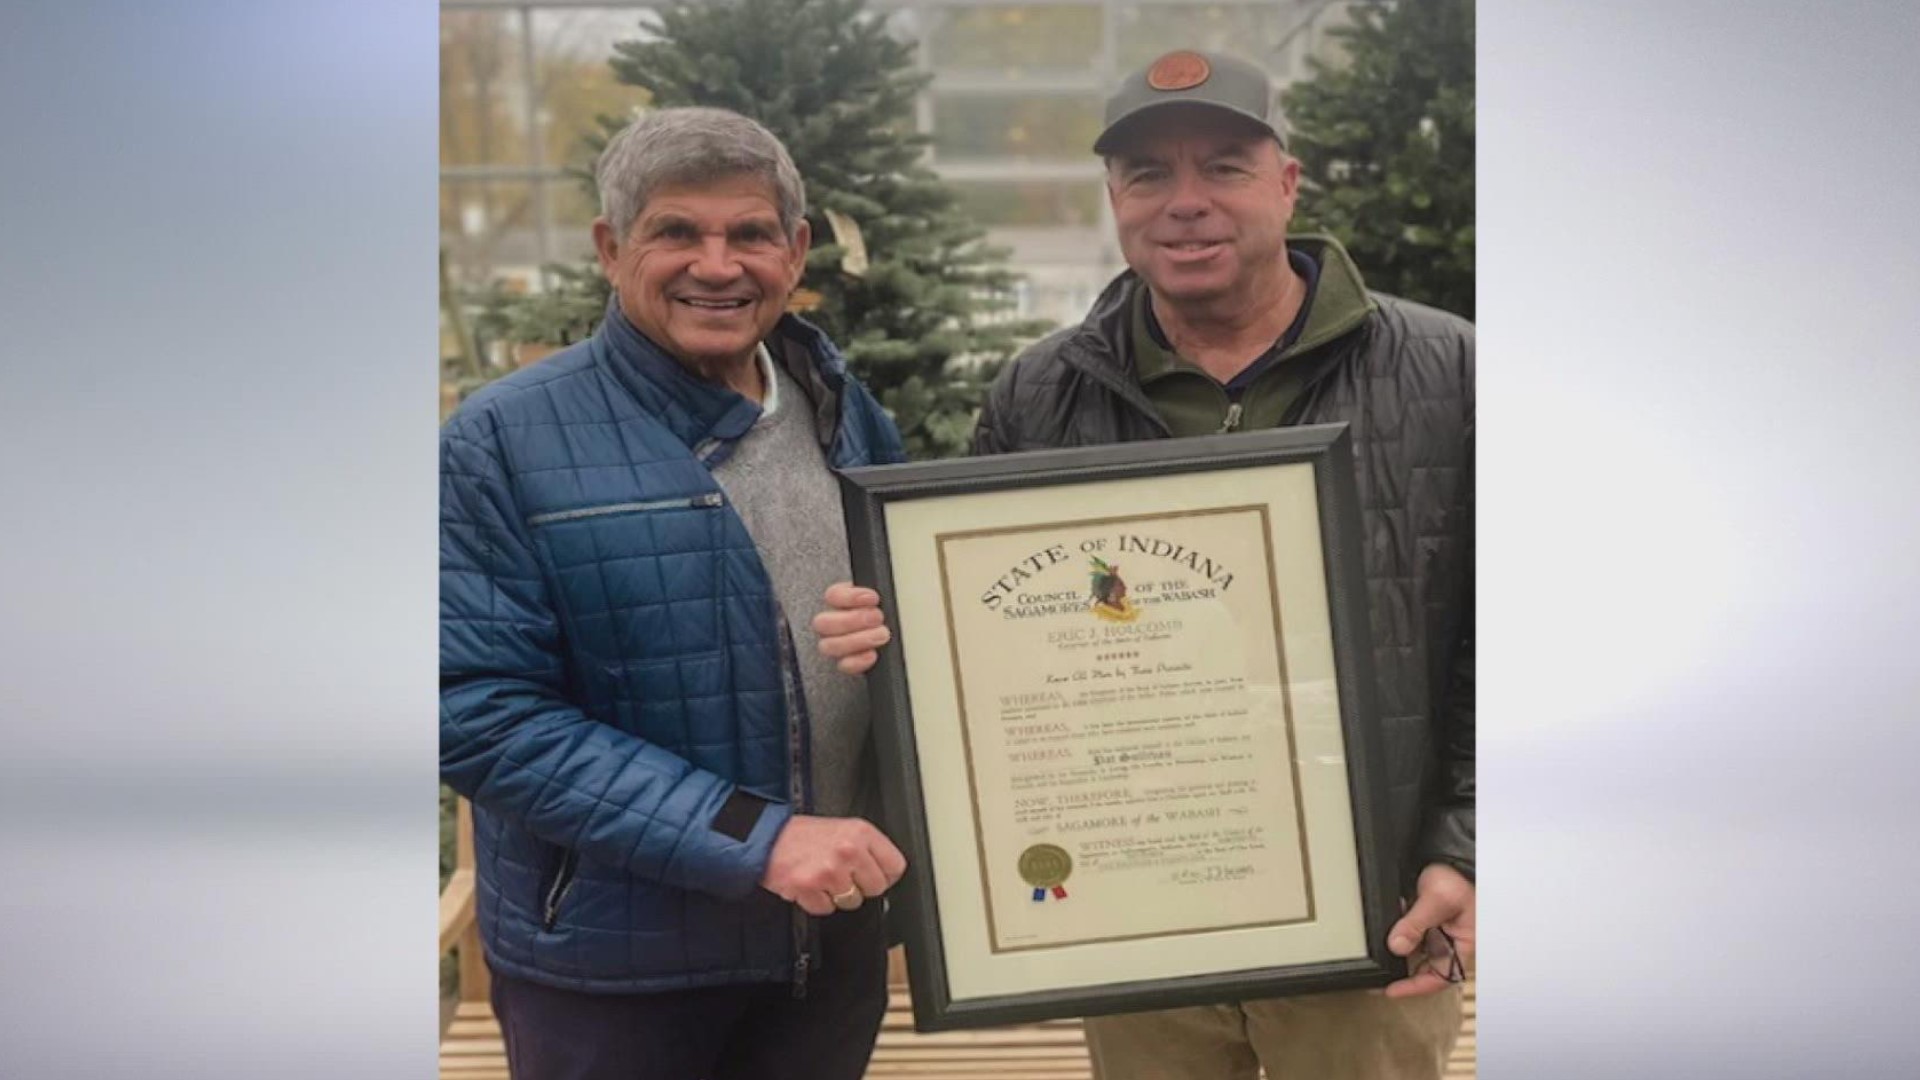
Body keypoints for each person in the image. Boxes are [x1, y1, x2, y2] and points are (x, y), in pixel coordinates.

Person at [820, 49, 1474, 1080]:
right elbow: (986, 647)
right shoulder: (1043, 393)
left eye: (1224, 167)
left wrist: (1464, 848)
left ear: (1287, 184)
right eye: (1148, 177)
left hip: (1371, 916)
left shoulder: (1448, 371)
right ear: (1115, 199)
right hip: (1137, 915)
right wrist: (894, 631)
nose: (1186, 205)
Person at [440, 106, 909, 1080]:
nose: (718, 264)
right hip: (620, 983)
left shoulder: (840, 408)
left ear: (796, 250)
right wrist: (758, 838)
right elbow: (473, 711)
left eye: (749, 233)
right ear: (612, 250)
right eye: (676, 233)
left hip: (826, 956)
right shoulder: (504, 442)